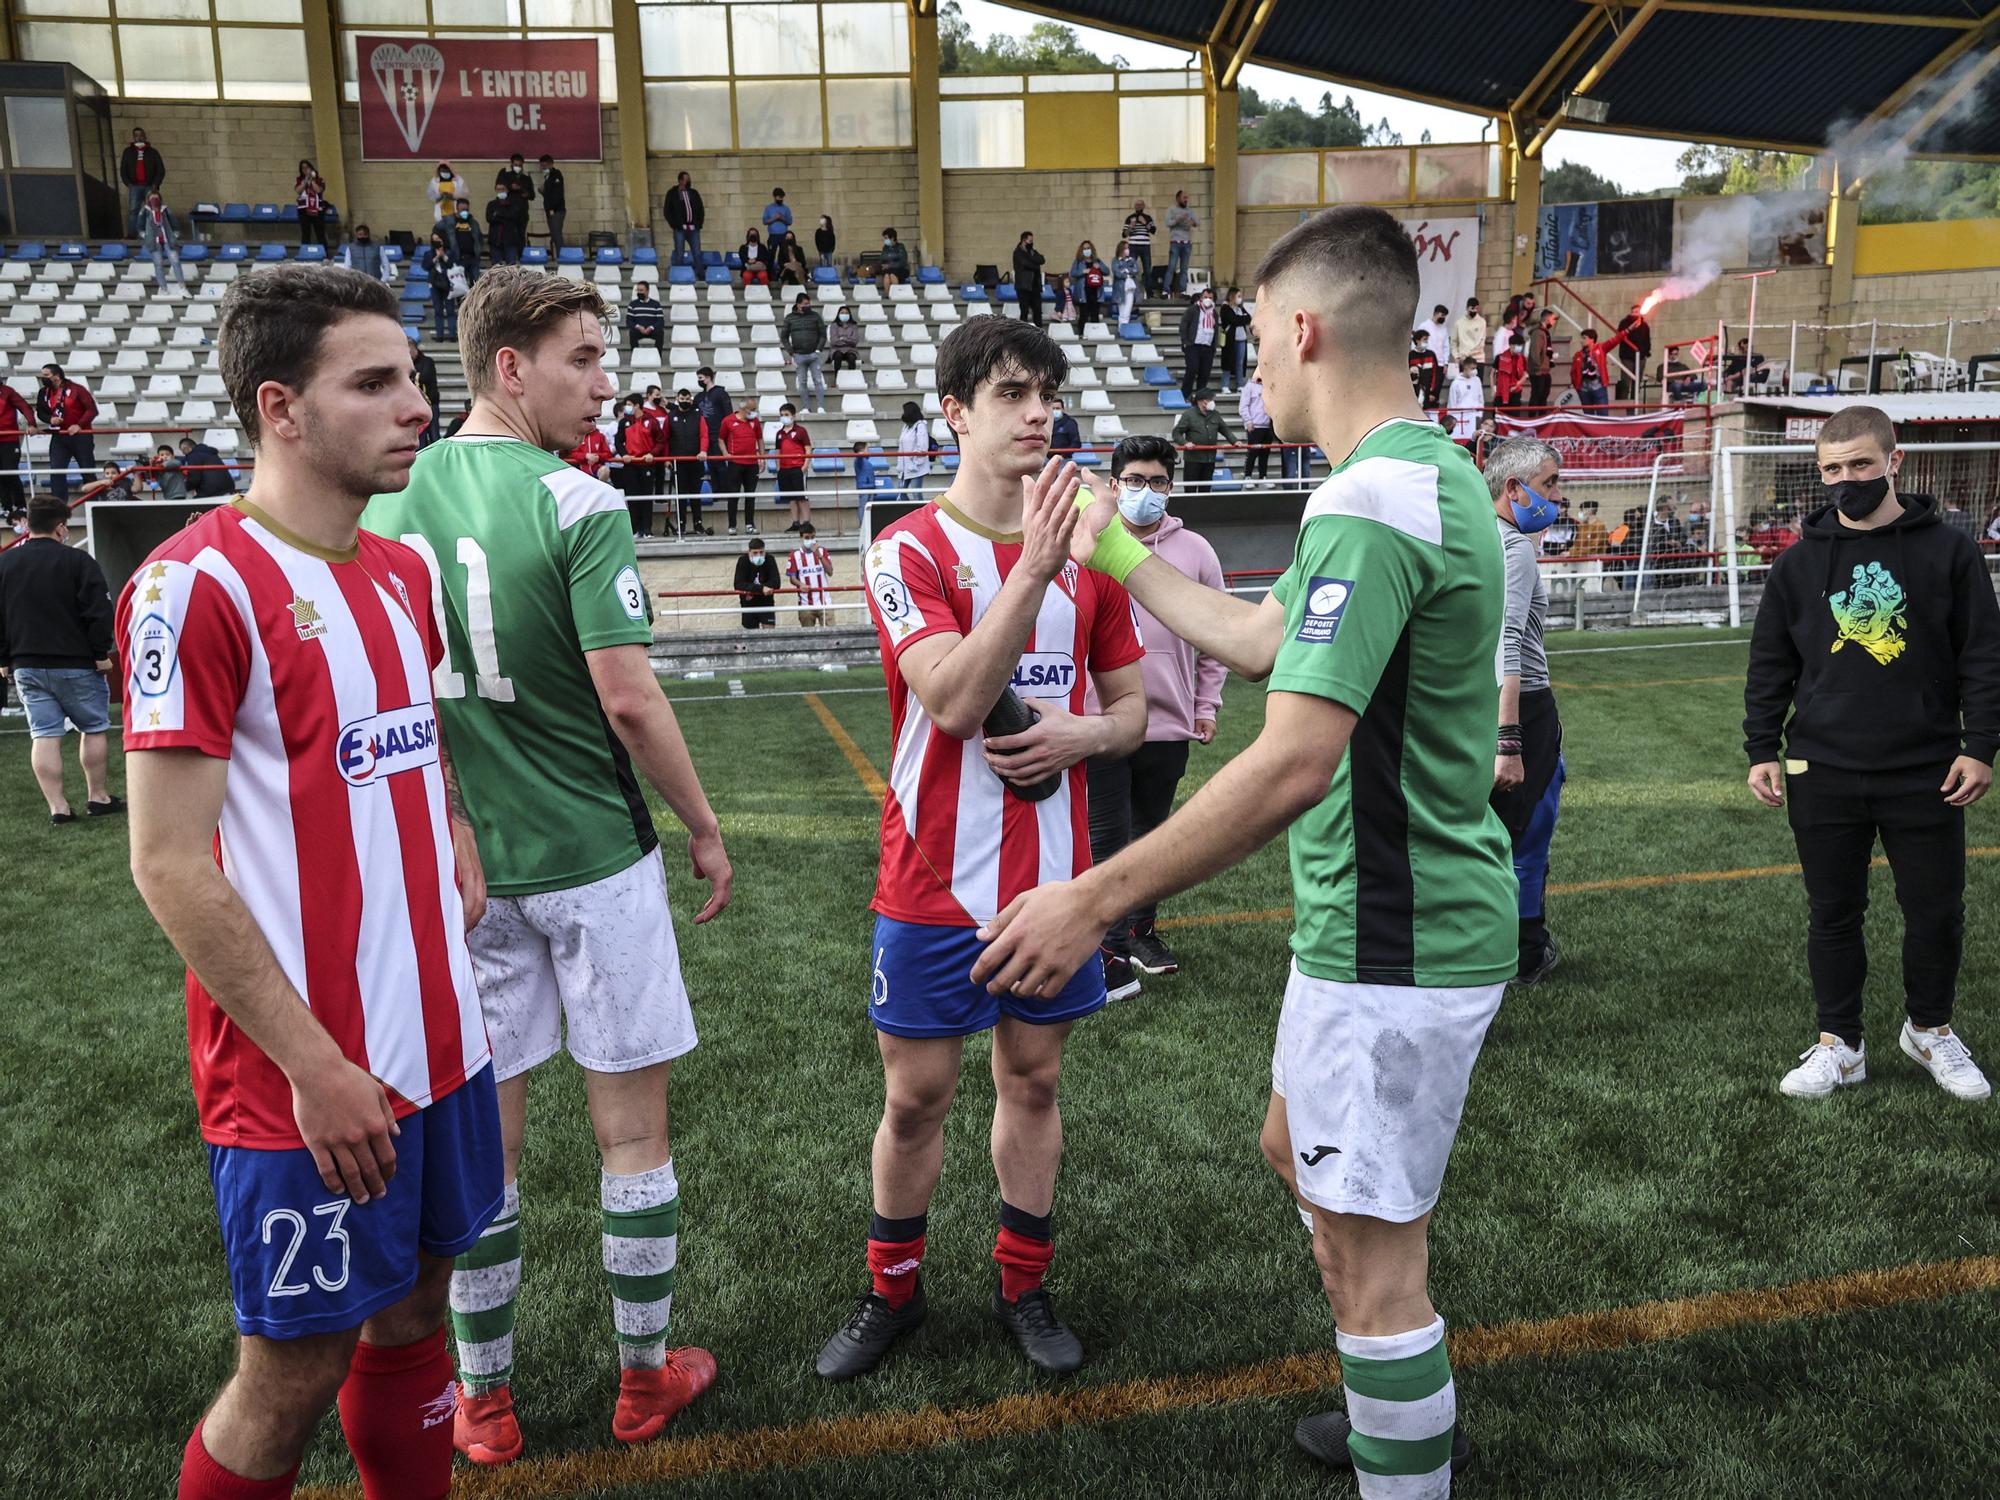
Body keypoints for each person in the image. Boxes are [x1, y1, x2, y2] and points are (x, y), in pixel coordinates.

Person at [972, 205, 1513, 1488]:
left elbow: (1287, 759)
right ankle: (1388, 1403)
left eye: (1259, 336)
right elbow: (1261, 638)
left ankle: (1398, 1428)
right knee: (1297, 1155)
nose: (1251, 362)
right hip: (1382, 930)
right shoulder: (1405, 478)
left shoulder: (1374, 499)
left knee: (1375, 1264)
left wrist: (1089, 901)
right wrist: (1111, 547)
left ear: (1304, 327)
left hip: (1396, 938)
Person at [119, 263, 499, 1500]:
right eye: (375, 383)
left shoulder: (398, 576)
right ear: (280, 408)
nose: (416, 409)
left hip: (447, 1046)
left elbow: (411, 737)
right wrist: (314, 1066)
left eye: (416, 379)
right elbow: (167, 861)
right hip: (312, 1075)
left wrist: (452, 825)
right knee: (288, 1376)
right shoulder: (196, 585)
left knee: (415, 1317)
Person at [363, 267, 730, 1466]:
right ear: (508, 366)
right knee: (630, 1134)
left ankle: (484, 1401)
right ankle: (640, 1379)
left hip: (458, 869)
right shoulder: (580, 501)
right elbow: (628, 699)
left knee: (492, 1149)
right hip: (591, 853)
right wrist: (702, 823)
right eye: (582, 357)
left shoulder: (382, 504)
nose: (605, 381)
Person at [818, 315, 1146, 1384]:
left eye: (1046, 393)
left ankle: (1023, 1286)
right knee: (914, 1098)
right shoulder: (905, 548)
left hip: (1054, 884)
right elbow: (953, 702)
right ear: (955, 412)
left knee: (1035, 1082)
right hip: (927, 878)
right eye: (1010, 393)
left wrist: (1080, 732)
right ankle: (890, 1295)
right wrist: (1033, 564)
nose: (1038, 413)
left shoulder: (1092, 555)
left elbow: (1135, 712)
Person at [1744, 403, 1999, 1104]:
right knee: (1832, 911)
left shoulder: (1949, 551)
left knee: (1936, 910)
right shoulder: (1797, 565)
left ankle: (1930, 1030)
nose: (1846, 479)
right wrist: (1761, 746)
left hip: (1926, 767)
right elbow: (1771, 664)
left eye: (1859, 463)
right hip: (1822, 768)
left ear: (1894, 460)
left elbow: (1983, 654)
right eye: (1832, 468)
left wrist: (1980, 745)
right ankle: (1840, 1045)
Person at [1084, 435, 1224, 995]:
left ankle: (1140, 930)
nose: (1146, 492)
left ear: (1171, 487)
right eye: (1135, 481)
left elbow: (1215, 639)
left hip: (1169, 722)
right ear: (1115, 485)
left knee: (1152, 836)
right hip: (1102, 721)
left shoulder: (1197, 552)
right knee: (1105, 837)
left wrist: (1204, 705)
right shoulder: (1091, 544)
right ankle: (1106, 945)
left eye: (1158, 482)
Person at [1484, 437, 1567, 986]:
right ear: (1513, 489)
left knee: (1487, 832)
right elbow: (1505, 640)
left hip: (1478, 702)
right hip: (1522, 705)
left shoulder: (1476, 536)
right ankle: (1522, 951)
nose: (1558, 496)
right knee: (1528, 829)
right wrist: (1509, 737)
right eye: (1550, 483)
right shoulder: (1514, 547)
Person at [0, 497, 120, 824]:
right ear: (61, 527)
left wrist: (4, 657)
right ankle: (98, 797)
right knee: (93, 728)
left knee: (43, 734)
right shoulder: (79, 561)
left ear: (28, 524)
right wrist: (100, 654)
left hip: (26, 663)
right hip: (77, 661)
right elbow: (98, 612)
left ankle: (59, 807)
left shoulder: (5, 564)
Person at [35, 363, 98, 504]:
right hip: (59, 436)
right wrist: (50, 419)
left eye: (46, 375)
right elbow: (40, 412)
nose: (42, 378)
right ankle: (59, 508)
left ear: (56, 376)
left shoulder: (77, 389)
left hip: (81, 436)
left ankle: (94, 505)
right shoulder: (43, 392)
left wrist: (79, 425)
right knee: (56, 472)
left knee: (87, 471)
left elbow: (92, 410)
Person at [1170, 387, 1233, 492]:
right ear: (1203, 401)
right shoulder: (1189, 415)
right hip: (1193, 459)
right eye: (1211, 400)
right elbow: (1176, 433)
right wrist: (1185, 443)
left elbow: (1225, 430)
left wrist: (1235, 441)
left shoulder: (1215, 414)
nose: (1213, 402)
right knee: (1190, 489)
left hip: (1209, 459)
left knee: (1206, 489)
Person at [667, 388, 710, 536]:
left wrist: (703, 450)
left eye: (687, 399)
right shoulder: (671, 416)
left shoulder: (698, 415)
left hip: (695, 461)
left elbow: (704, 435)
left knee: (695, 495)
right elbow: (666, 438)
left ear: (690, 400)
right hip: (678, 463)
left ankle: (698, 524)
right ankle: (681, 525)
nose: (684, 402)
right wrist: (667, 458)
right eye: (682, 399)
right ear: (677, 399)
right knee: (681, 495)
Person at [615, 393, 659, 539]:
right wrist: (624, 455)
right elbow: (618, 442)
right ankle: (634, 529)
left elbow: (660, 441)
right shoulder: (624, 422)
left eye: (628, 404)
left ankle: (647, 529)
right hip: (630, 465)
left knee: (646, 498)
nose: (626, 408)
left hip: (646, 464)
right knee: (633, 498)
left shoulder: (651, 421)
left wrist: (652, 453)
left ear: (637, 405)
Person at [719, 393, 763, 534]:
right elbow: (721, 439)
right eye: (751, 409)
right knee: (733, 495)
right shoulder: (728, 421)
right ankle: (732, 525)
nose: (754, 412)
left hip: (752, 463)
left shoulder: (755, 421)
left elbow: (760, 439)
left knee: (750, 495)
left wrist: (762, 457)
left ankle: (750, 524)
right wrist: (726, 454)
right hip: (735, 463)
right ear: (743, 408)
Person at [694, 367, 733, 516]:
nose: (700, 381)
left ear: (709, 377)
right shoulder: (699, 397)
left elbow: (728, 414)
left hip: (718, 434)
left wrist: (726, 434)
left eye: (701, 378)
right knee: (711, 465)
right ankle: (717, 491)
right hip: (705, 435)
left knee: (720, 464)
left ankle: (726, 491)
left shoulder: (720, 393)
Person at [781, 293, 828, 414]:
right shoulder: (790, 318)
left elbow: (823, 334)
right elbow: (784, 337)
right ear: (798, 304)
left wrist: (818, 349)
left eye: (808, 303)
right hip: (798, 355)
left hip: (813, 354)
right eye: (805, 303)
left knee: (818, 380)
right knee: (802, 382)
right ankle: (806, 407)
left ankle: (821, 407)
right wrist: (791, 352)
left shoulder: (815, 316)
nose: (808, 305)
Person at [137, 192, 187, 295]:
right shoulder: (145, 211)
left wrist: (175, 235)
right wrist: (145, 236)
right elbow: (139, 225)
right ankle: (163, 288)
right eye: (152, 198)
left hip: (167, 239)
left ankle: (182, 287)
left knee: (175, 261)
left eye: (156, 198)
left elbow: (174, 223)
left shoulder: (165, 209)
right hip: (154, 242)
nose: (154, 201)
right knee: (158, 264)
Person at [120, 126, 167, 234]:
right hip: (134, 186)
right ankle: (132, 235)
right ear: (133, 137)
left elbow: (160, 169)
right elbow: (123, 169)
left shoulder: (153, 152)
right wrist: (129, 184)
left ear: (145, 136)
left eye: (141, 135)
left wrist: (156, 184)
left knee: (152, 210)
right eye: (136, 136)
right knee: (133, 211)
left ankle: (154, 233)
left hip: (150, 186)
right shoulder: (128, 152)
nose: (139, 138)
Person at [774, 401, 813, 532]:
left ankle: (806, 523)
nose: (783, 417)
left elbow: (808, 449)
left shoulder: (801, 431)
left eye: (786, 414)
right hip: (784, 469)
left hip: (798, 468)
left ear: (793, 416)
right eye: (781, 414)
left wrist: (805, 466)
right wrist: (779, 467)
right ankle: (796, 523)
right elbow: (777, 451)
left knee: (801, 496)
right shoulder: (779, 433)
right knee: (791, 497)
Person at [1571, 327, 1628, 412]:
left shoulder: (1601, 348)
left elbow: (1614, 341)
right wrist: (1578, 387)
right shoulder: (1578, 355)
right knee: (1588, 418)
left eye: (1584, 338)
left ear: (1592, 339)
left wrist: (1627, 330)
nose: (1581, 340)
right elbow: (1573, 372)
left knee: (1603, 417)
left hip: (1599, 388)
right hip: (1584, 390)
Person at [1178, 287, 1220, 401]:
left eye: (1210, 298)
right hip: (1193, 346)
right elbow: (1183, 324)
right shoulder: (1193, 310)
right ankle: (1185, 395)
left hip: (1207, 347)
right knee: (1192, 369)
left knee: (1204, 374)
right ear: (1201, 298)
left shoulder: (1214, 313)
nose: (1208, 299)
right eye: (1205, 297)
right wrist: (1185, 341)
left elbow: (1216, 329)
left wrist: (1214, 346)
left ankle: (1200, 399)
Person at [787, 522, 832, 626]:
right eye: (807, 538)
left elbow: (830, 572)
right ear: (801, 538)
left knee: (831, 637)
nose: (810, 540)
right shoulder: (795, 555)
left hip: (825, 602)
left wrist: (819, 556)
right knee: (808, 638)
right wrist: (800, 584)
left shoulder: (822, 551)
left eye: (812, 537)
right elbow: (792, 578)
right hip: (805, 603)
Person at [733, 536, 780, 635]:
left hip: (766, 604)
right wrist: (760, 589)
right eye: (755, 553)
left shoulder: (770, 559)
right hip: (748, 605)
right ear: (749, 552)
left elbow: (776, 582)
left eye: (761, 552)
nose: (759, 555)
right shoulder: (743, 561)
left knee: (769, 637)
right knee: (751, 639)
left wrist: (756, 590)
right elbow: (738, 584)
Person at [420, 234, 462, 343]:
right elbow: (425, 266)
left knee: (450, 310)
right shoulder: (428, 253)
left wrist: (443, 256)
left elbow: (452, 264)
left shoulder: (450, 252)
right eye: (434, 240)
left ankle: (453, 334)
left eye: (439, 239)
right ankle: (440, 335)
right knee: (438, 310)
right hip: (434, 284)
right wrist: (436, 257)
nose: (437, 242)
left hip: (448, 284)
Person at [0, 378, 32, 515]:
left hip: (9, 439)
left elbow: (25, 407)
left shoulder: (8, 392)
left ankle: (21, 505)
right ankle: (5, 506)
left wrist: (31, 423)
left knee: (10, 472)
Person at [486, 176, 528, 267]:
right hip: (495, 240)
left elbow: (514, 216)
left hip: (510, 240)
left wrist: (498, 214)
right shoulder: (491, 204)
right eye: (498, 189)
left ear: (507, 190)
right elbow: (489, 218)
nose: (500, 191)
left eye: (502, 189)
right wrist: (505, 216)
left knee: (512, 267)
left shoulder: (514, 203)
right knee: (496, 268)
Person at [893, 400, 931, 501]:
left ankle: (921, 516)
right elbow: (901, 447)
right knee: (900, 494)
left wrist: (915, 463)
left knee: (916, 495)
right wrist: (900, 465)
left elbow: (922, 447)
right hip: (904, 468)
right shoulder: (905, 427)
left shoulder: (920, 426)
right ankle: (908, 514)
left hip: (916, 468)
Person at [1240, 371, 1274, 480]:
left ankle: (1263, 476)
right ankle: (1247, 476)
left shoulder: (1269, 386)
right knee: (1252, 452)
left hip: (1267, 426)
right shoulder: (1250, 386)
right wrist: (1248, 421)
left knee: (1265, 453)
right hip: (1255, 425)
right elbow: (1243, 406)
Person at [1615, 303, 1651, 404]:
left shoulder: (1645, 326)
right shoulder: (1624, 323)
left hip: (1640, 357)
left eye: (1637, 312)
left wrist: (1645, 352)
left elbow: (1647, 341)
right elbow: (1620, 335)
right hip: (1627, 356)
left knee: (1637, 383)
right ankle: (1623, 404)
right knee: (1625, 382)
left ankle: (1634, 404)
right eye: (1634, 312)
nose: (1635, 314)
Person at [665, 172, 704, 266]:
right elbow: (667, 211)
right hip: (680, 229)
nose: (688, 181)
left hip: (693, 228)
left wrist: (699, 223)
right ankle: (679, 275)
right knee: (679, 253)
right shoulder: (672, 194)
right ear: (680, 180)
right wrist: (675, 224)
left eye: (688, 179)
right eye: (686, 179)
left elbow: (700, 208)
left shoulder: (694, 193)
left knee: (697, 253)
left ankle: (700, 275)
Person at [1218, 287, 1251, 394]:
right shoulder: (1225, 308)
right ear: (1232, 296)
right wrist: (1241, 319)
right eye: (1238, 296)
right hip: (1230, 339)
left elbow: (1248, 318)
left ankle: (1240, 384)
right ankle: (1225, 385)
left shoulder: (1240, 308)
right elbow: (1233, 320)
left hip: (1241, 339)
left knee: (1240, 362)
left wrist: (1240, 318)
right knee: (1228, 362)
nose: (1240, 299)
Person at [181, 434, 236, 499]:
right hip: (228, 489)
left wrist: (183, 488)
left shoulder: (193, 456)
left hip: (212, 492)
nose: (184, 454)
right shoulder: (209, 452)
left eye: (183, 451)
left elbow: (194, 479)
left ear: (186, 449)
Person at [1070, 241, 1106, 335]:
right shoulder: (1078, 261)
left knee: (1095, 314)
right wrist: (1083, 271)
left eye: (1088, 248)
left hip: (1096, 291)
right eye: (1085, 249)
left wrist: (1100, 267)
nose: (1087, 250)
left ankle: (1095, 334)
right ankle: (1082, 333)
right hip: (1084, 292)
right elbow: (1073, 273)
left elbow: (1107, 271)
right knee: (1084, 315)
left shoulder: (1097, 260)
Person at [1165, 190, 1197, 298]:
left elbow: (1197, 222)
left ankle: (1183, 291)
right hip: (1175, 242)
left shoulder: (1190, 211)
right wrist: (1178, 220)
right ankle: (1166, 290)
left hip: (1187, 243)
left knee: (1184, 268)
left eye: (1187, 198)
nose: (1186, 200)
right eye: (1184, 198)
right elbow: (1168, 223)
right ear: (1178, 198)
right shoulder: (1171, 210)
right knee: (1172, 267)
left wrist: (1191, 222)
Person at [1446, 358, 1483, 448]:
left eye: (1475, 368)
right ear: (1465, 367)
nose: (1474, 371)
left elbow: (1480, 397)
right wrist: (1452, 419)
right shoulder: (1456, 383)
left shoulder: (1477, 380)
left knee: (1473, 440)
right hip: (1460, 417)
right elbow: (1452, 402)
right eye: (1472, 368)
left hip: (1474, 416)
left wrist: (1480, 413)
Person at [411, 337, 441, 445]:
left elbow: (425, 377)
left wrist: (414, 375)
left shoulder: (427, 361)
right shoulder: (407, 364)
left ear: (415, 349)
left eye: (410, 351)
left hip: (431, 403)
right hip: (415, 406)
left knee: (434, 435)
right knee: (420, 437)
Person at [1123, 200, 1157, 296]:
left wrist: (1145, 223)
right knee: (1131, 268)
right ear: (1134, 206)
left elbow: (1153, 231)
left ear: (1143, 206)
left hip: (1145, 246)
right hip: (1133, 245)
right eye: (1136, 205)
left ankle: (1149, 293)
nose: (1138, 206)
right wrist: (1131, 227)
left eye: (1140, 205)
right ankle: (1131, 291)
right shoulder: (1130, 218)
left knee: (1147, 269)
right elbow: (1124, 234)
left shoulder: (1147, 218)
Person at [1013, 233, 1046, 329]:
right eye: (1030, 241)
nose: (1031, 243)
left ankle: (1039, 332)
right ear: (1024, 241)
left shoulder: (1032, 251)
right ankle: (1023, 332)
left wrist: (1032, 258)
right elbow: (1027, 264)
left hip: (1035, 286)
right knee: (1024, 311)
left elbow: (1042, 259)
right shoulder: (1018, 252)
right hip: (1024, 286)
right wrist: (1034, 262)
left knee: (1037, 311)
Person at [1525, 309, 1557, 409]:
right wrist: (1538, 368)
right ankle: (1533, 418)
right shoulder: (1538, 333)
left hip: (1544, 370)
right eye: (1552, 319)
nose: (1554, 322)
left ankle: (1541, 418)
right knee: (1537, 395)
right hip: (1538, 371)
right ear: (1547, 319)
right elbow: (1535, 352)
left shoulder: (1544, 333)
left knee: (1543, 396)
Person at [1451, 296, 1488, 383]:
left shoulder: (1482, 322)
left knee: (1476, 385)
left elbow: (1481, 342)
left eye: (1476, 309)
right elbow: (1454, 342)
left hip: (1478, 359)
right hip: (1463, 360)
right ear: (1467, 308)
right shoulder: (1459, 323)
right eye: (1472, 308)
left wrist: (1468, 354)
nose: (1474, 311)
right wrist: (1456, 356)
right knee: (1463, 385)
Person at [294, 160, 328, 248]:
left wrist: (312, 180)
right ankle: (305, 254)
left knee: (320, 232)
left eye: (307, 167)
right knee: (305, 233)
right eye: (303, 168)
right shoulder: (299, 179)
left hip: (317, 209)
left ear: (311, 168)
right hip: (303, 209)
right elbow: (298, 191)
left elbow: (318, 190)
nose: (305, 170)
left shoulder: (319, 179)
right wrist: (305, 181)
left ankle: (324, 254)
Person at [627, 281, 665, 351]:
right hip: (638, 330)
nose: (639, 292)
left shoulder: (656, 304)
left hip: (652, 331)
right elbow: (629, 321)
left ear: (647, 291)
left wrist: (651, 327)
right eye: (638, 290)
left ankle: (658, 357)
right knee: (632, 332)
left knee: (660, 332)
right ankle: (635, 356)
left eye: (641, 290)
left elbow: (660, 321)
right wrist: (638, 327)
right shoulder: (632, 304)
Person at [537, 155, 565, 251]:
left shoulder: (556, 175)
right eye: (542, 166)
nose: (543, 168)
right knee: (554, 235)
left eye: (545, 166)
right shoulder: (547, 177)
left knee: (557, 235)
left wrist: (552, 208)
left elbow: (558, 194)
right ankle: (560, 256)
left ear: (551, 164)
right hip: (550, 210)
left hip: (556, 211)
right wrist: (543, 192)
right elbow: (549, 195)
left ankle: (562, 258)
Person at [1408, 329, 1441, 409]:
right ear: (1417, 340)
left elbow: (1435, 374)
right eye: (1424, 339)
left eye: (1427, 340)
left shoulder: (1431, 354)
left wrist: (1433, 392)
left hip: (1428, 392)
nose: (1426, 342)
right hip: (1414, 392)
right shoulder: (1410, 355)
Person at [1494, 332, 1527, 408]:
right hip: (1501, 391)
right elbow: (1492, 374)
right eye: (1518, 345)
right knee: (1499, 415)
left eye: (1521, 345)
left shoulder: (1522, 358)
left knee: (1514, 416)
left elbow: (1525, 375)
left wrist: (1517, 385)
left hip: (1516, 391)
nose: (1520, 347)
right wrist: (1493, 388)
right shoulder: (1500, 357)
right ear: (1511, 345)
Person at [1112, 239, 1141, 327]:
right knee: (1122, 310)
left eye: (1128, 248)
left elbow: (1136, 270)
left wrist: (1126, 270)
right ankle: (1122, 328)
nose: (1127, 250)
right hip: (1120, 288)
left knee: (1127, 310)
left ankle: (1123, 327)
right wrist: (1128, 273)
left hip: (1130, 288)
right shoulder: (1115, 260)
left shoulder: (1132, 260)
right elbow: (1117, 273)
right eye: (1125, 248)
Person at [827, 304, 861, 372]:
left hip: (851, 349)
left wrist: (842, 338)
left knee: (851, 358)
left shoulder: (853, 326)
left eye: (846, 313)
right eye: (842, 313)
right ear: (838, 314)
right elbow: (834, 341)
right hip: (836, 349)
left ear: (849, 314)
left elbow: (855, 341)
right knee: (838, 356)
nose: (844, 314)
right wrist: (848, 340)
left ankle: (851, 378)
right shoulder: (834, 325)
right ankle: (837, 379)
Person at [878, 227, 910, 293]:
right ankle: (888, 296)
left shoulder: (900, 247)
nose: (885, 240)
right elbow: (882, 257)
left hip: (900, 269)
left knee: (892, 275)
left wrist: (889, 265)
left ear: (892, 238)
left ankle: (896, 294)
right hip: (888, 270)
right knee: (886, 276)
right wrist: (884, 265)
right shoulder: (885, 247)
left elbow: (902, 262)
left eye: (886, 238)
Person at [1048, 396, 1080, 461]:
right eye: (1053, 408)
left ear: (1063, 409)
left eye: (1057, 408)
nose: (1055, 411)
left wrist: (1063, 455)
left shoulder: (1070, 423)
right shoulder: (1045, 422)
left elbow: (1076, 443)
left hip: (1064, 459)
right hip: (1047, 459)